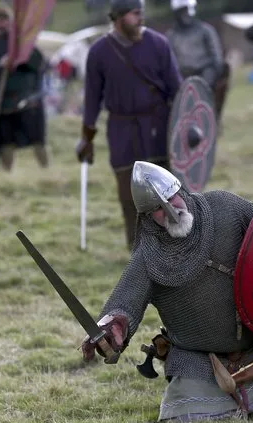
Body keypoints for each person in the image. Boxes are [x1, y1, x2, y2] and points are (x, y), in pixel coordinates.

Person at [81, 161, 253, 421]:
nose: (171, 208)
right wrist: (114, 327)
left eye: (171, 197)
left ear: (182, 189)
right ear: (147, 218)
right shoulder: (148, 257)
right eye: (158, 208)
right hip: (198, 364)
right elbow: (124, 303)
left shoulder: (225, 208)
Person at [76, 0, 182, 250]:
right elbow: (92, 100)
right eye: (135, 14)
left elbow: (179, 92)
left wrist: (186, 129)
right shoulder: (99, 52)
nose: (141, 18)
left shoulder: (158, 44)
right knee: (129, 194)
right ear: (119, 17)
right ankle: (138, 251)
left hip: (158, 128)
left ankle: (174, 246)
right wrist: (86, 138)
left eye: (141, 12)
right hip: (122, 131)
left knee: (166, 191)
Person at [0, 4, 48, 172]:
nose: (0, 24)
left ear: (10, 22)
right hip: (5, 105)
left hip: (27, 101)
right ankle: (7, 175)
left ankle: (46, 170)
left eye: (3, 20)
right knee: (7, 142)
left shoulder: (22, 41)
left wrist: (18, 57)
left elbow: (39, 63)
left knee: (37, 141)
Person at [166, 0, 229, 128]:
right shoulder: (171, 36)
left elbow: (216, 57)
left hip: (204, 74)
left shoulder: (205, 31)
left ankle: (207, 119)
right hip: (181, 76)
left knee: (205, 84)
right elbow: (168, 61)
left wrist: (209, 78)